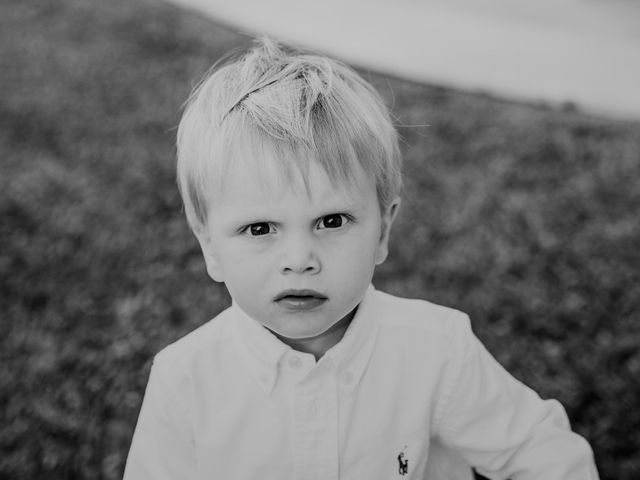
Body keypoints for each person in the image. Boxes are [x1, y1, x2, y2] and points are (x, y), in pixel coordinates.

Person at [123, 38, 599, 479]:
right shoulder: (185, 380)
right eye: (260, 229)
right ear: (209, 245)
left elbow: (546, 456)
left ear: (383, 229)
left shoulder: (436, 351)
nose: (300, 260)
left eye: (331, 221)